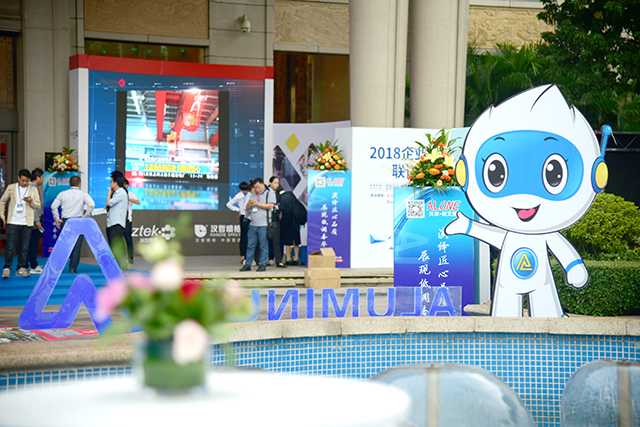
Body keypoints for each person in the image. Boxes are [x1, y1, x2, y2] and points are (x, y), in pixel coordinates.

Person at [0, 169, 41, 278]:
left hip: (27, 222)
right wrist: (2, 216)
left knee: (24, 247)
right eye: (22, 180)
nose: (24, 183)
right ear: (18, 178)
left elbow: (38, 205)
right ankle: (7, 267)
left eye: (27, 181)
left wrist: (31, 201)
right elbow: (2, 200)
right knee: (10, 246)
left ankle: (21, 267)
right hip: (13, 221)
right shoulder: (11, 187)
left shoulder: (33, 189)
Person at [51, 175, 95, 274]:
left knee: (64, 246)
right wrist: (86, 215)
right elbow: (92, 204)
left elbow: (53, 206)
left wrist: (57, 219)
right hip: (78, 221)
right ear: (80, 184)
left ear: (70, 183)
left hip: (66, 221)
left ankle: (58, 268)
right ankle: (73, 268)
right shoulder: (83, 194)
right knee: (77, 246)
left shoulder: (63, 194)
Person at [239, 178, 276, 272]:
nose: (257, 189)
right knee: (250, 245)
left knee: (263, 245)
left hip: (264, 224)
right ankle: (248, 264)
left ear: (263, 185)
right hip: (253, 224)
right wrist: (249, 204)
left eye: (258, 187)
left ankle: (263, 264)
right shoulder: (253, 194)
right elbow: (247, 209)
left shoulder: (269, 194)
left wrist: (258, 204)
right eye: (255, 188)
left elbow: (271, 206)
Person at [106, 173, 128, 271]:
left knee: (117, 246)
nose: (110, 184)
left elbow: (109, 202)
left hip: (116, 223)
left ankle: (120, 266)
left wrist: (109, 192)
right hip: (113, 223)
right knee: (115, 246)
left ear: (116, 183)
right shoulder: (118, 193)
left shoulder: (121, 192)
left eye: (111, 181)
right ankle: (120, 266)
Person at [226, 181, 250, 264]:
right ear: (241, 189)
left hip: (251, 216)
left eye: (247, 190)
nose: (246, 191)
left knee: (251, 237)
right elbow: (229, 204)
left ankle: (251, 256)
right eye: (244, 190)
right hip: (243, 216)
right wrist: (238, 210)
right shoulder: (239, 196)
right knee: (244, 237)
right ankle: (243, 256)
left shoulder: (250, 195)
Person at [279, 188, 303, 266]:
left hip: (285, 220)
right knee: (296, 240)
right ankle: (296, 258)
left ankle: (288, 258)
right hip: (295, 220)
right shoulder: (291, 196)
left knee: (287, 240)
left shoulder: (280, 197)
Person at [27, 168, 44, 274]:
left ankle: (28, 264)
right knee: (33, 243)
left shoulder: (29, 187)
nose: (42, 180)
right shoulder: (33, 188)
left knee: (28, 244)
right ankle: (33, 265)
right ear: (38, 177)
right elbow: (34, 207)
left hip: (29, 220)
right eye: (42, 177)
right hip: (33, 221)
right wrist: (37, 221)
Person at [268, 176, 286, 268]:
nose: (276, 185)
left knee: (277, 240)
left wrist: (276, 207)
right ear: (270, 183)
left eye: (278, 183)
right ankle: (263, 260)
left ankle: (278, 261)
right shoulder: (266, 192)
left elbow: (282, 206)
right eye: (275, 183)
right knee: (264, 241)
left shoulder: (278, 194)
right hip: (265, 218)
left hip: (275, 218)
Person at [123, 179, 140, 264]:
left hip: (128, 220)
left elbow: (138, 202)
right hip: (118, 219)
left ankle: (130, 257)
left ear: (127, 185)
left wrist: (128, 199)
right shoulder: (117, 194)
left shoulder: (130, 194)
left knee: (128, 240)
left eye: (124, 185)